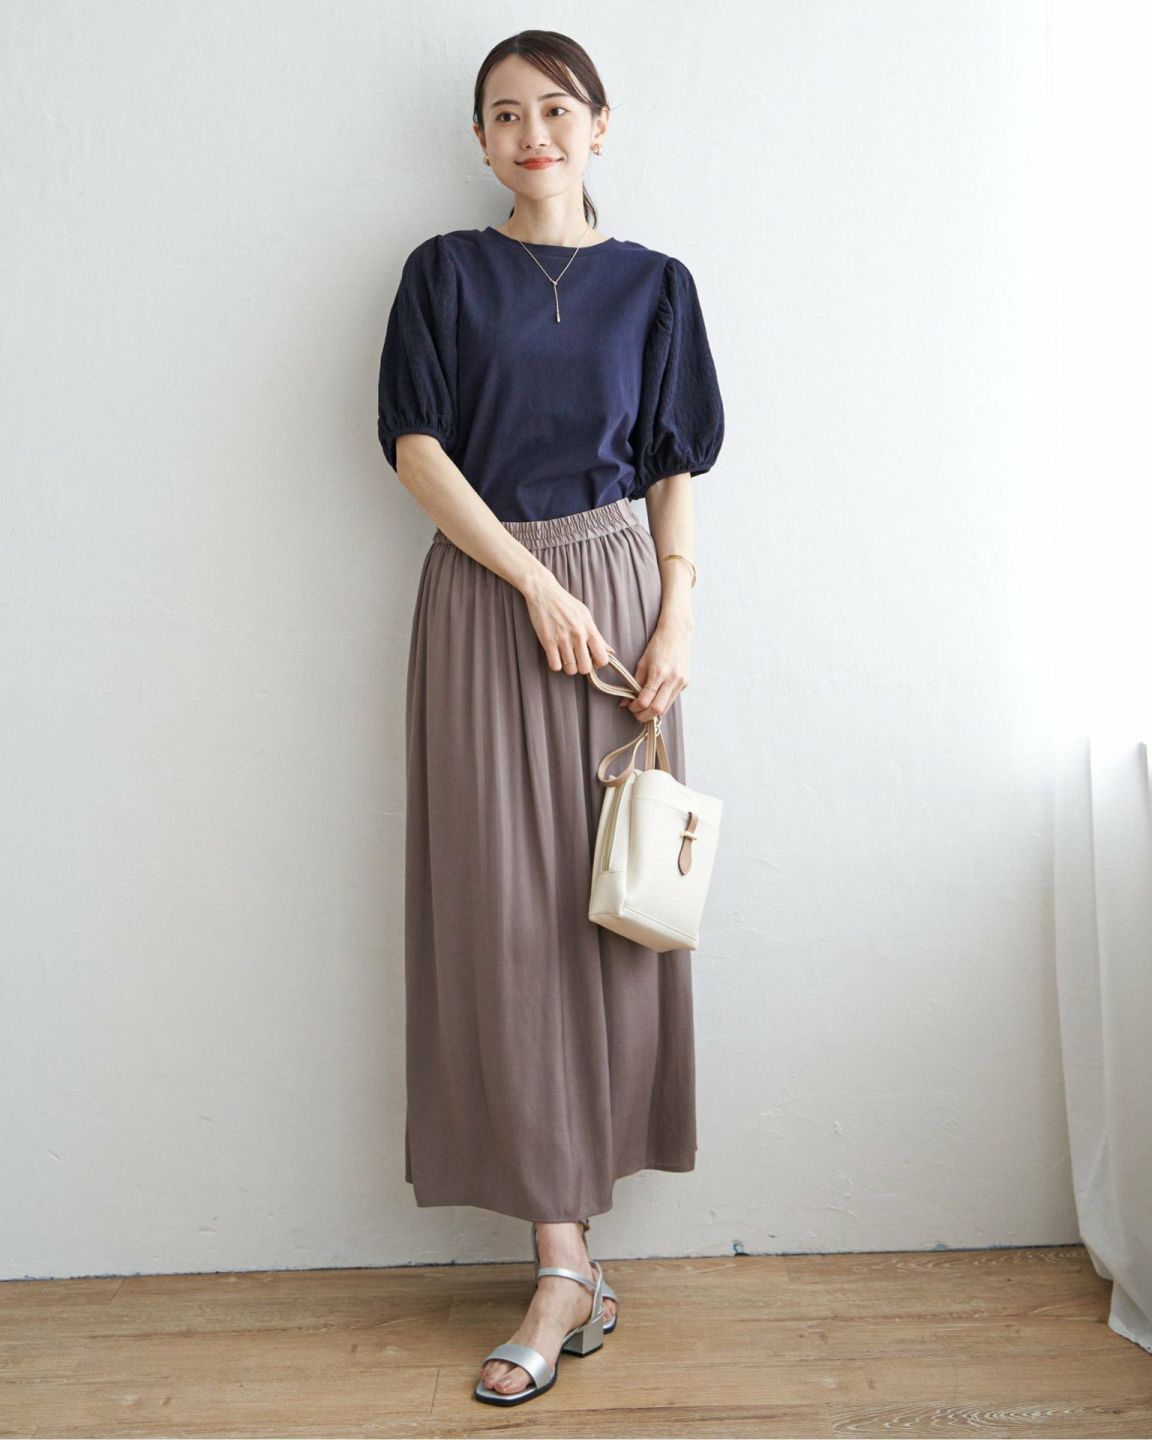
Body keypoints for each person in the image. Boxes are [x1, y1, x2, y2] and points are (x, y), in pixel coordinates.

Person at [376, 29, 725, 1407]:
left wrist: (675, 616)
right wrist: (530, 584)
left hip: (623, 603)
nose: (534, 133)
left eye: (557, 109)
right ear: (480, 140)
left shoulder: (657, 285)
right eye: (506, 114)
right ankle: (561, 1257)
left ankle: (581, 1246)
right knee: (504, 919)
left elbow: (675, 463)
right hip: (486, 601)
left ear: (600, 124)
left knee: (618, 907)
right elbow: (415, 446)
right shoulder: (443, 274)